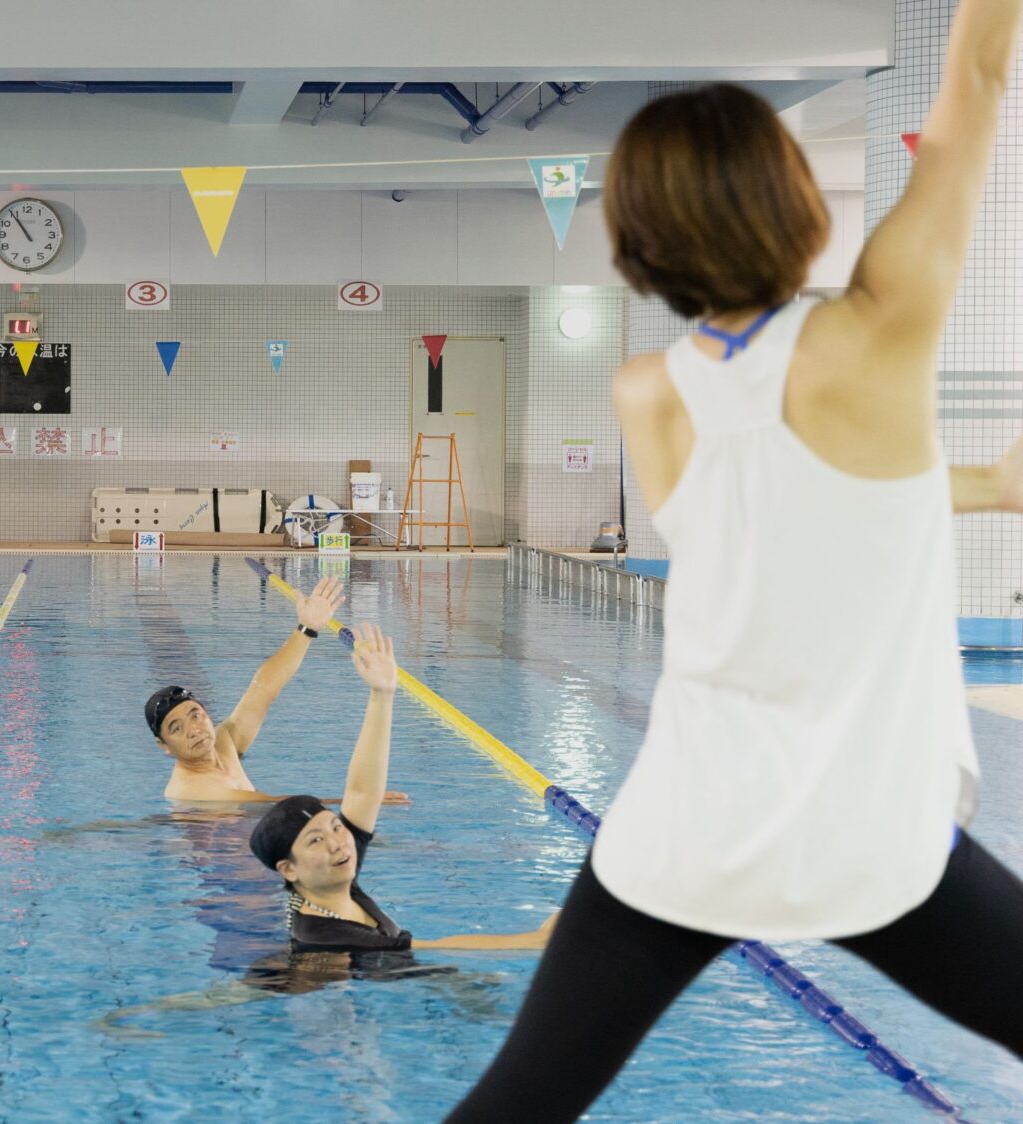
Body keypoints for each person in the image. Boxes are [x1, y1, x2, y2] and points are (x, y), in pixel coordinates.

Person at [449, 11, 1023, 1116]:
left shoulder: (648, 392)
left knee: (517, 1103)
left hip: (688, 828)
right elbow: (978, 87)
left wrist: (987, 487)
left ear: (637, 241)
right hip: (872, 835)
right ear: (794, 200)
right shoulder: (880, 324)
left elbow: (789, 501)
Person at [100, 623, 552, 1035]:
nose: (339, 842)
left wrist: (380, 691)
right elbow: (436, 949)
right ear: (289, 868)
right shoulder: (326, 937)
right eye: (319, 838)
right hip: (347, 1008)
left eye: (334, 831)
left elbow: (355, 790)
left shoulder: (331, 870)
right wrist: (533, 941)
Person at [144, 576, 406, 805]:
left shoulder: (223, 743)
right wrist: (364, 799)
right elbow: (267, 804)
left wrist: (307, 628)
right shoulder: (191, 790)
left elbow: (263, 689)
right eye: (176, 729)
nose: (194, 729)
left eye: (195, 715)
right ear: (164, 746)